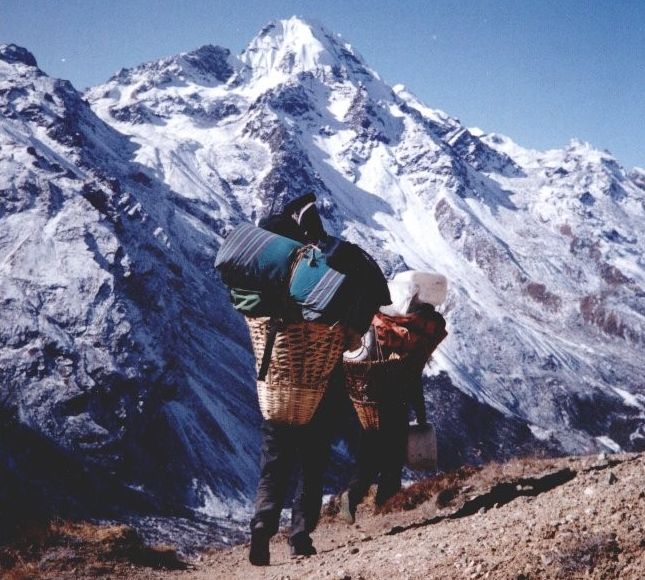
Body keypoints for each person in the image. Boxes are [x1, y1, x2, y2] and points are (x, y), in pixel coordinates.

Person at [249, 193, 389, 565]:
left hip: (278, 383)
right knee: (312, 461)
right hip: (322, 382)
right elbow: (355, 325)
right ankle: (299, 536)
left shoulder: (266, 273)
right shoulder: (334, 266)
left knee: (275, 459)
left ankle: (262, 525)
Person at [339, 302, 447, 524]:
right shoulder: (411, 342)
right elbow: (413, 378)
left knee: (369, 456)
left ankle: (353, 496)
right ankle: (386, 508)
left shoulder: (378, 332)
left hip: (368, 405)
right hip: (396, 404)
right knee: (393, 459)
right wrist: (421, 413)